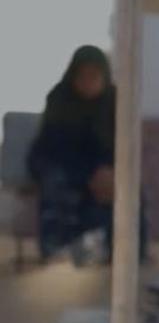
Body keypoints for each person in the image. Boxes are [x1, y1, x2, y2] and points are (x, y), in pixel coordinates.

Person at [27, 45, 145, 264]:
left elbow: (123, 144)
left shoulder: (114, 101)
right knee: (57, 181)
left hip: (101, 167)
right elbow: (55, 147)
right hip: (57, 161)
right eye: (83, 76)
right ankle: (56, 250)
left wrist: (110, 169)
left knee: (128, 187)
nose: (88, 82)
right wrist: (90, 173)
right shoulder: (60, 98)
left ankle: (128, 254)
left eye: (94, 76)